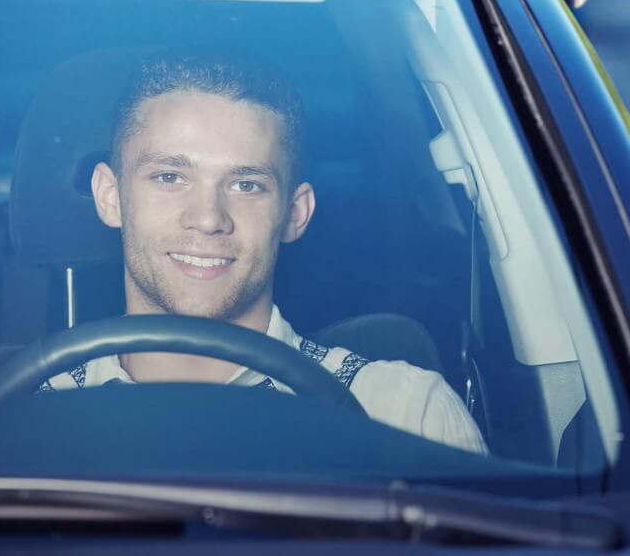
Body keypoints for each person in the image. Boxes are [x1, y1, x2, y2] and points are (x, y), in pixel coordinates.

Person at [39, 49, 487, 455]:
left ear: (295, 213)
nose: (209, 217)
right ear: (110, 196)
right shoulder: (32, 416)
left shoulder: (403, 413)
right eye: (169, 177)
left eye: (246, 185)